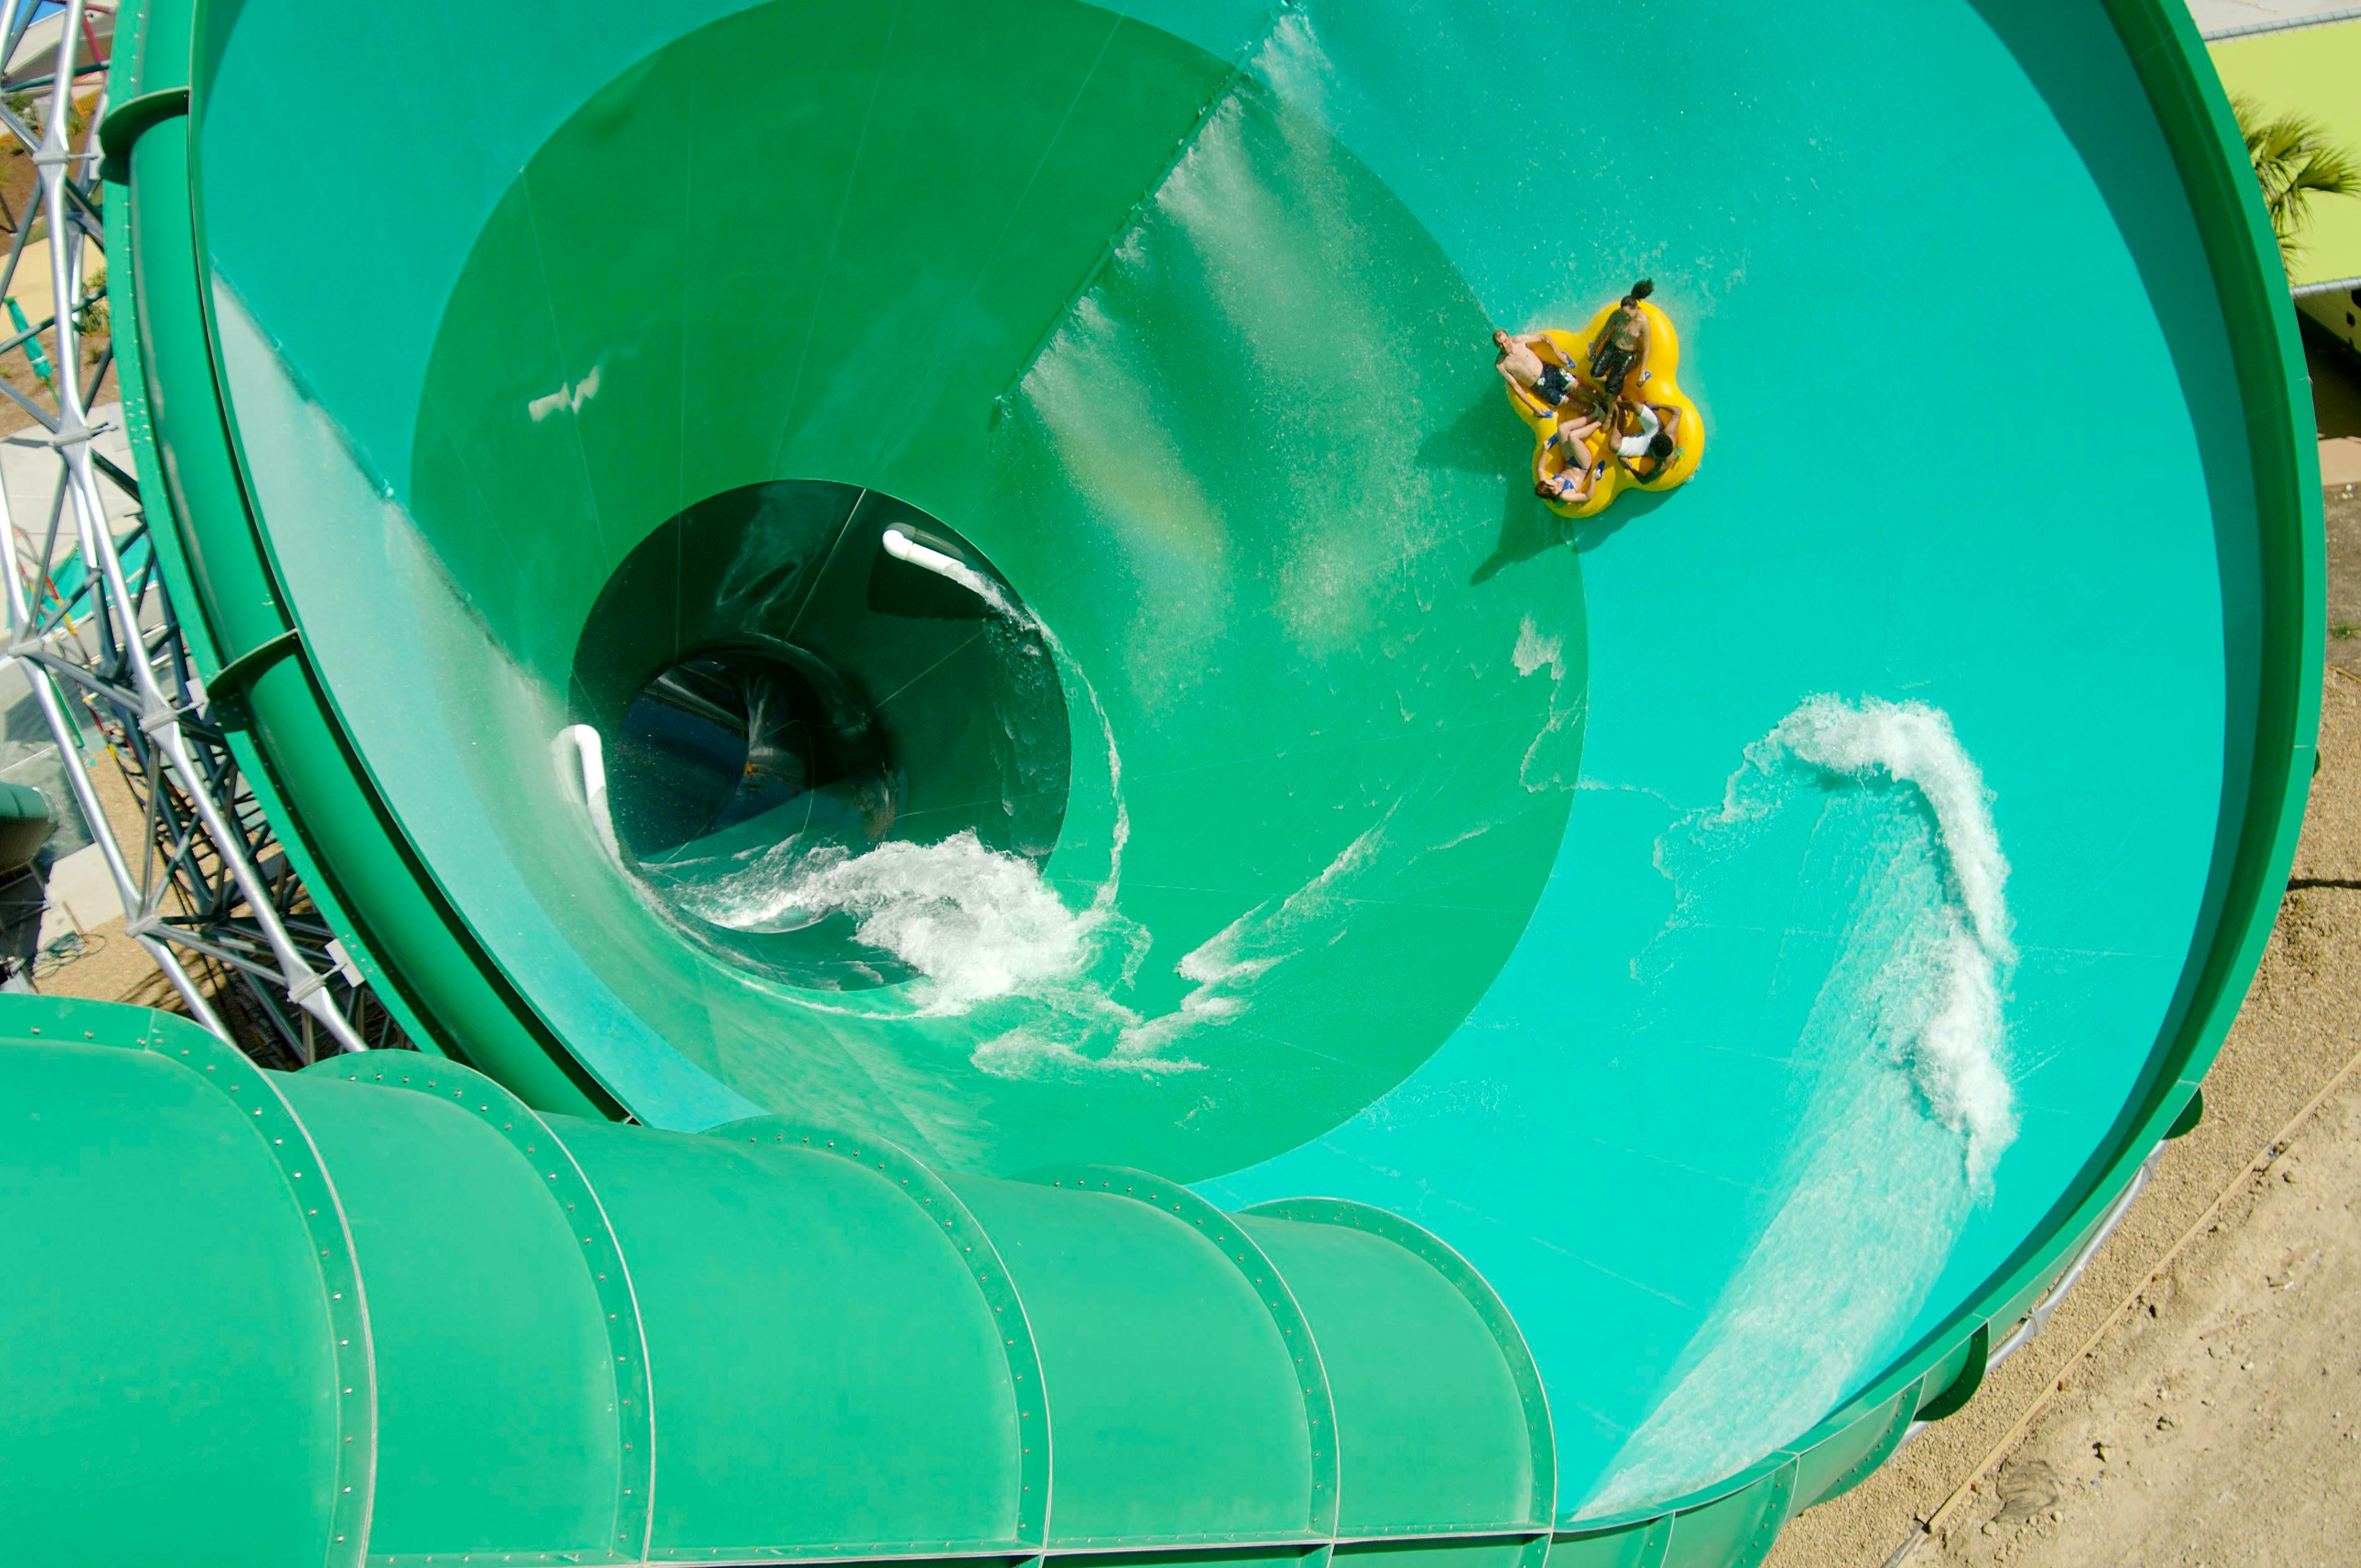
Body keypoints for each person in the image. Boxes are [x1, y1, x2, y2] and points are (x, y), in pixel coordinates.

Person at [1587, 279, 1654, 398]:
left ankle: (1614, 391)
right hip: (1611, 347)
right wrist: (1595, 348)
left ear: (1636, 309)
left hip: (1627, 355)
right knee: (1595, 374)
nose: (1624, 317)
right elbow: (1605, 332)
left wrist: (1642, 372)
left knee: (1613, 385)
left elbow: (1646, 349)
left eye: (1627, 315)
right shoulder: (1617, 314)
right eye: (1623, 313)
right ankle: (1613, 388)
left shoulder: (1643, 322)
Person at [1494, 328, 1580, 417]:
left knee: (1577, 387)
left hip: (1548, 372)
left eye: (1505, 341)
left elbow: (1545, 337)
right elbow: (1516, 387)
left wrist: (1559, 355)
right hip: (1540, 388)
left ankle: (1595, 401)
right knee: (1572, 404)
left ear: (1509, 337)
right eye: (1500, 344)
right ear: (1496, 345)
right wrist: (1534, 408)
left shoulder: (1519, 340)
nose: (1504, 346)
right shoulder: (1501, 364)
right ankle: (1592, 413)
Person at [1533, 406, 1606, 507]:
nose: (1551, 479)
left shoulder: (1546, 484)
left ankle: (1595, 414)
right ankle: (1600, 421)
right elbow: (1587, 497)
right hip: (1582, 466)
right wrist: (1593, 479)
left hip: (1570, 460)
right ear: (1551, 490)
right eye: (1550, 482)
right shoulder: (1565, 495)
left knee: (1562, 429)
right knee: (1573, 437)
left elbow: (1540, 469)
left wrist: (1545, 450)